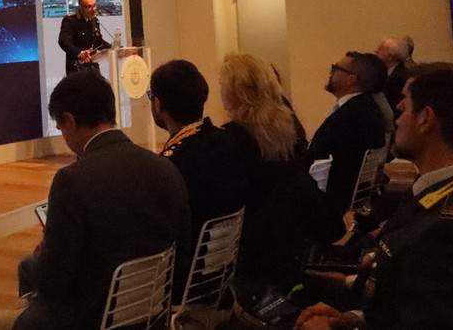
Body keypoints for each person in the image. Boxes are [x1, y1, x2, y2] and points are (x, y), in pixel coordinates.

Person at [0, 70, 189, 330]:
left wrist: (49, 251)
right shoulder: (165, 168)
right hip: (152, 313)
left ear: (69, 120)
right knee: (29, 268)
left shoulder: (72, 181)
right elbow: (180, 253)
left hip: (88, 318)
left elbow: (53, 283)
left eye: (61, 128)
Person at [296, 64, 453, 329]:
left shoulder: (441, 228)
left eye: (405, 104)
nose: (397, 115)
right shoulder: (429, 192)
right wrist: (352, 318)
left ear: (425, 118)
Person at [219, 53, 340, 297]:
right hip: (290, 236)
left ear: (233, 91)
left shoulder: (231, 137)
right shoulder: (290, 126)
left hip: (250, 245)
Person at [149, 59, 247, 282]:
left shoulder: (171, 165)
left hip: (182, 278)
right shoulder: (228, 140)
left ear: (158, 104)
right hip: (221, 272)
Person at [307, 52, 388, 221]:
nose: (331, 72)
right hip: (345, 196)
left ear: (351, 79)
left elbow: (316, 157)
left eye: (335, 68)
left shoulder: (350, 115)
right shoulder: (365, 107)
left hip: (331, 202)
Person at [57, 0, 110, 75]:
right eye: (89, 7)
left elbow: (98, 42)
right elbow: (64, 41)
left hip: (93, 67)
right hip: (77, 68)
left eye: (94, 5)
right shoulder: (71, 20)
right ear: (81, 8)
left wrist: (114, 48)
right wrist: (79, 53)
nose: (93, 9)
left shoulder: (94, 20)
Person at [375, 36, 412, 119]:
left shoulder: (398, 78)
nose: (375, 51)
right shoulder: (391, 74)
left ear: (390, 56)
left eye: (380, 49)